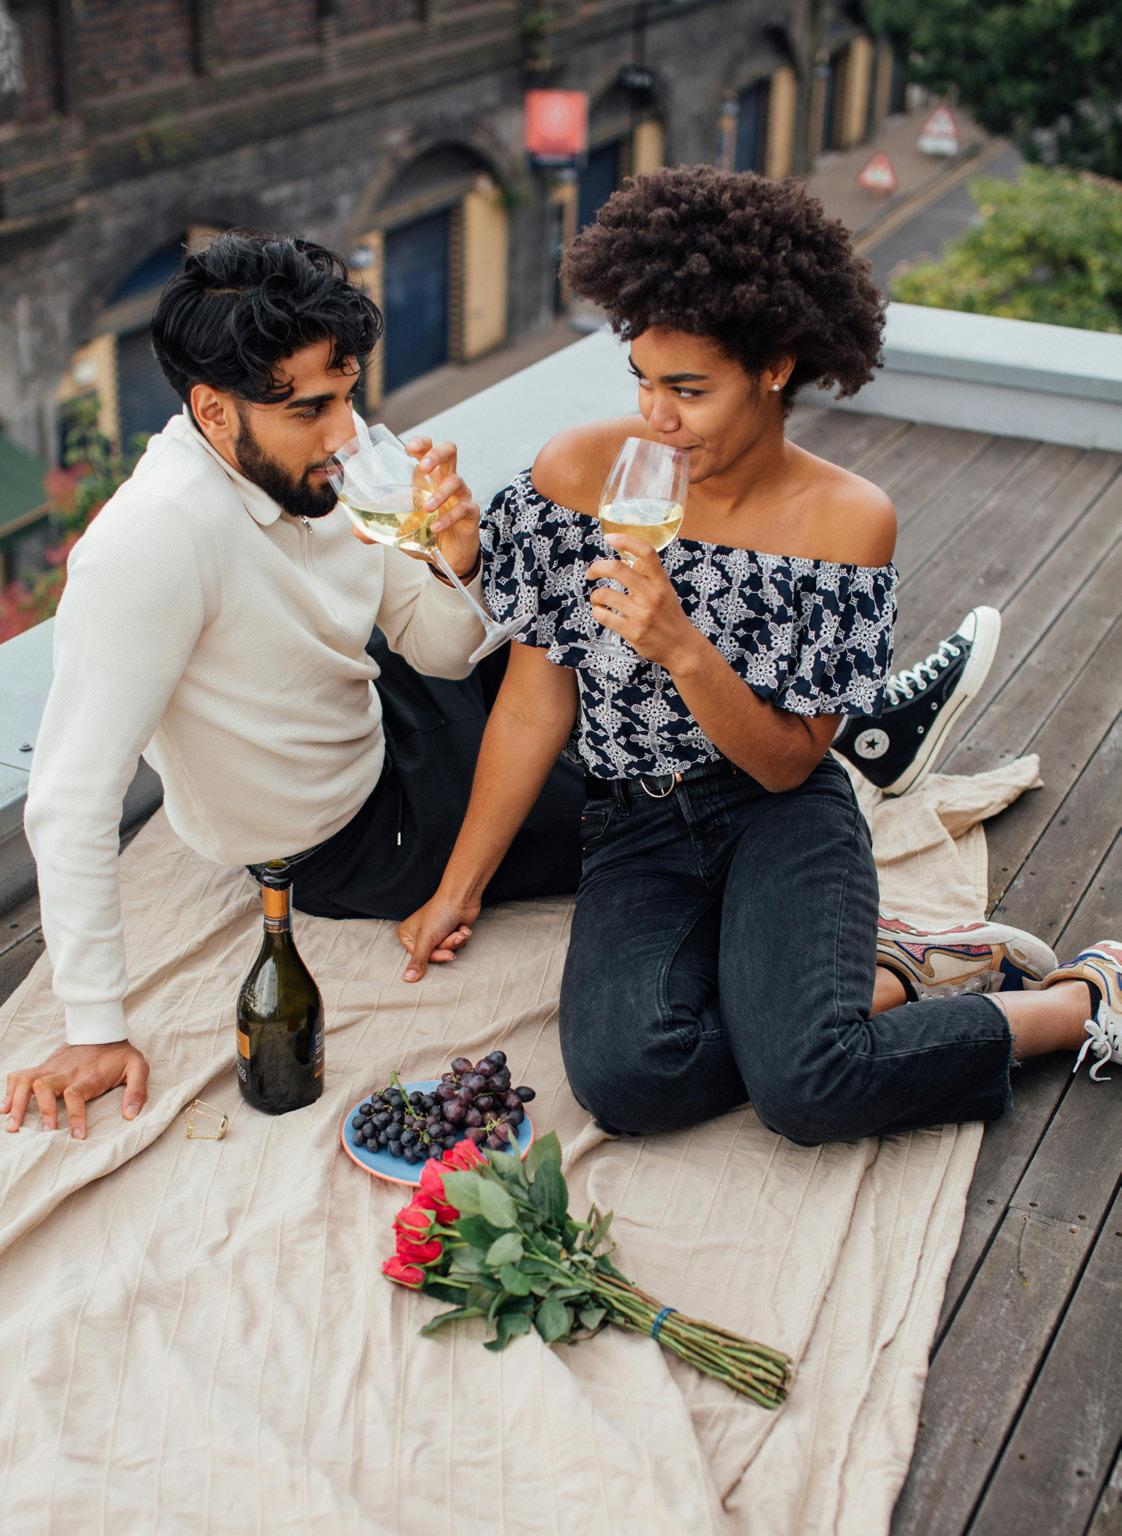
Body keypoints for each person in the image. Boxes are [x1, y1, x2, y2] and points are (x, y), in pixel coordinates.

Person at [397, 165, 1121, 1141]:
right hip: (633, 821)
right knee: (628, 1082)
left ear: (774, 366)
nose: (656, 416)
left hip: (778, 812)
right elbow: (533, 702)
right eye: (643, 380)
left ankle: (1075, 1000)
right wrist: (458, 889)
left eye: (689, 390)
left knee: (807, 1090)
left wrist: (683, 648)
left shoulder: (847, 522)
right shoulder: (578, 473)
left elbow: (787, 762)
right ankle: (878, 980)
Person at [2, 232, 584, 1140]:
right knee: (612, 815)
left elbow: (440, 650)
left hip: (384, 704)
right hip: (351, 836)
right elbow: (70, 798)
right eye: (310, 409)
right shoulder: (152, 541)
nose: (346, 435)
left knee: (573, 630)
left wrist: (457, 561)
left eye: (348, 396)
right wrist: (94, 1027)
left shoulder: (334, 471)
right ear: (213, 411)